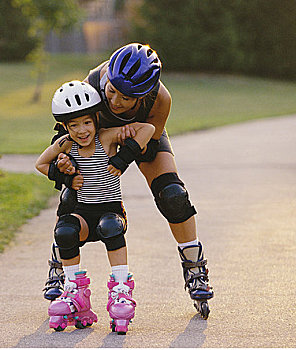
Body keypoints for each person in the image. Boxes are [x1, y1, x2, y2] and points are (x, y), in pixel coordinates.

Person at [43, 43, 214, 319]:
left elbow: (148, 143)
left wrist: (122, 157)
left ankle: (194, 266)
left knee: (173, 195)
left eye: (125, 98)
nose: (114, 101)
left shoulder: (160, 99)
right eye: (112, 91)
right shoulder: (94, 82)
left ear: (144, 95)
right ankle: (59, 263)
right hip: (96, 139)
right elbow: (69, 129)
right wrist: (66, 164)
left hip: (141, 137)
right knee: (73, 195)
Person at [36, 80, 155, 334]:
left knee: (110, 226)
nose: (81, 130)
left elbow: (149, 128)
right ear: (65, 127)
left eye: (87, 122)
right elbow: (40, 163)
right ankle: (73, 292)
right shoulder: (66, 145)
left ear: (96, 120)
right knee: (64, 231)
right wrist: (65, 177)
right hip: (83, 215)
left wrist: (124, 156)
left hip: (110, 212)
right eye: (74, 125)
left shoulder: (107, 137)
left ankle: (121, 291)